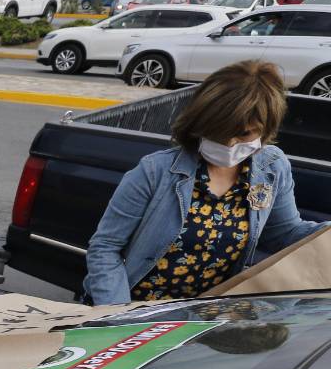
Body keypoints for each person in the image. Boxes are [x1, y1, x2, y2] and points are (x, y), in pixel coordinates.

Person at [84, 61, 328, 305]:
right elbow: (106, 247)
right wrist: (117, 315)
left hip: (205, 318)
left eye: (244, 134)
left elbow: (284, 233)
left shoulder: (272, 168)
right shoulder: (155, 171)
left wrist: (326, 232)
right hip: (136, 313)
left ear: (266, 129)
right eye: (220, 132)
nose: (230, 144)